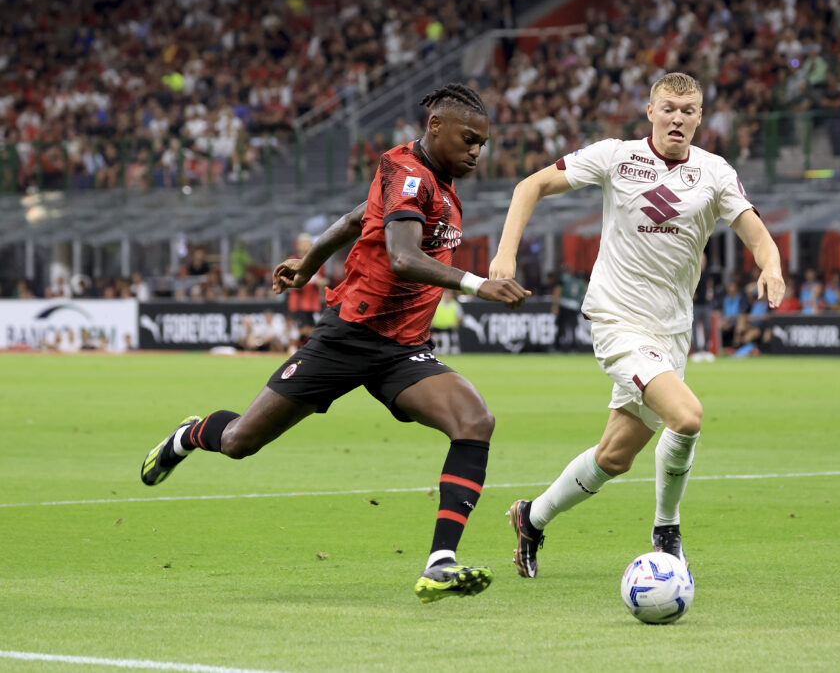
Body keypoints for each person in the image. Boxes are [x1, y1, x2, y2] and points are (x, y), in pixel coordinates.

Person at [139, 83, 530, 602]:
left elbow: (354, 219)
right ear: (435, 126)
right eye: (469, 139)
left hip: (401, 350)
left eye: (483, 142)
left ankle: (440, 562)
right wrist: (480, 285)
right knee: (239, 443)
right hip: (347, 338)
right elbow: (402, 257)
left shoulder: (431, 175)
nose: (477, 151)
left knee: (474, 421)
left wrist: (308, 261)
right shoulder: (411, 175)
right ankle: (188, 436)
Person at [488, 72, 785, 578]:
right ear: (650, 111)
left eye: (688, 110)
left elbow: (757, 233)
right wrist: (505, 255)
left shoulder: (714, 173)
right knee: (687, 417)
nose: (677, 118)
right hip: (617, 321)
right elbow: (530, 185)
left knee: (614, 456)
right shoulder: (616, 156)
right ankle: (666, 531)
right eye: (668, 108)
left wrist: (771, 266)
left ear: (699, 118)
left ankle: (531, 520)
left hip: (671, 333)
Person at [550, 265, 587, 352]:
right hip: (574, 306)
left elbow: (557, 292)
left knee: (561, 326)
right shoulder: (579, 282)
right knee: (573, 327)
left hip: (564, 306)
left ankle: (557, 347)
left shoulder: (562, 280)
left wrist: (555, 306)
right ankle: (573, 347)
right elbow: (586, 290)